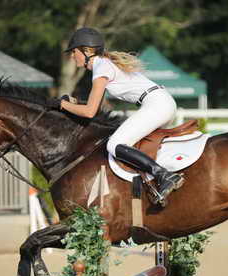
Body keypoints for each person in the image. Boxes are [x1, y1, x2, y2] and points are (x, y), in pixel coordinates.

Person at [49, 27, 184, 206]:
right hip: (162, 102)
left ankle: (164, 175)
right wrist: (71, 102)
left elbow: (90, 112)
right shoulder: (104, 64)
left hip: (156, 105)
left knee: (115, 144)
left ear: (87, 51)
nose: (72, 56)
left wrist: (61, 105)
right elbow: (96, 107)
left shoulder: (101, 68)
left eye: (74, 52)